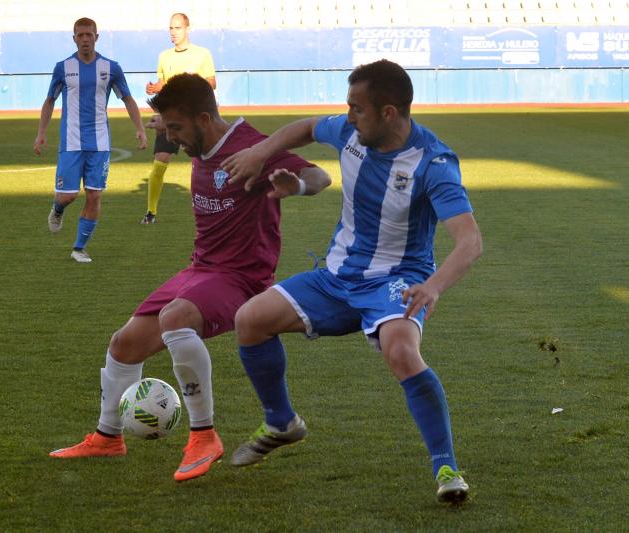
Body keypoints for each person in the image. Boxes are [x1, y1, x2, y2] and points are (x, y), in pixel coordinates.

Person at [221, 59, 483, 503]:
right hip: (336, 277)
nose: (347, 116)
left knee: (400, 350)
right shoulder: (350, 133)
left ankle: (446, 467)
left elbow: (470, 241)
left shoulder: (432, 163)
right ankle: (282, 422)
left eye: (356, 108)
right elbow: (305, 127)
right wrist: (262, 153)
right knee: (250, 319)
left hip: (395, 280)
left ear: (388, 113)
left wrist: (434, 285)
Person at [49, 73, 332, 482]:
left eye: (178, 129)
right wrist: (166, 121)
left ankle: (204, 435)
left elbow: (321, 177)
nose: (173, 139)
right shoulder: (199, 137)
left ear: (203, 118)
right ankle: (108, 437)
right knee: (124, 344)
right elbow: (179, 127)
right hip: (201, 269)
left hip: (242, 278)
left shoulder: (252, 148)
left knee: (176, 317)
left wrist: (297, 186)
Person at [34, 17, 147, 263]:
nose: (85, 39)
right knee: (68, 196)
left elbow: (127, 98)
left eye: (89, 35)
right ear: (74, 38)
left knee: (95, 195)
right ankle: (58, 209)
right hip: (71, 142)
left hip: (100, 143)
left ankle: (79, 248)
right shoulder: (62, 67)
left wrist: (139, 128)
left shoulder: (111, 68)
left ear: (97, 36)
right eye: (80, 35)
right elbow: (50, 100)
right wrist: (41, 133)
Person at [141, 12, 216, 225]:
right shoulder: (164, 56)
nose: (173, 32)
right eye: (171, 28)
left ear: (187, 29)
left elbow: (211, 83)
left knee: (202, 164)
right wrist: (156, 88)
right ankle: (150, 211)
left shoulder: (202, 54)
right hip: (170, 118)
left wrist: (188, 85)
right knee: (160, 162)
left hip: (193, 118)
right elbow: (162, 86)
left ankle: (209, 207)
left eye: (178, 28)